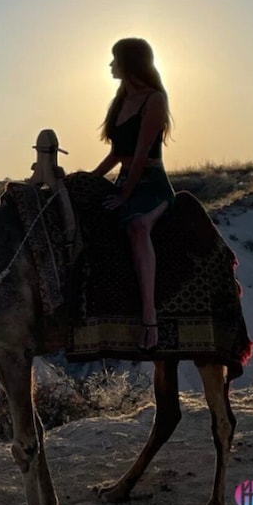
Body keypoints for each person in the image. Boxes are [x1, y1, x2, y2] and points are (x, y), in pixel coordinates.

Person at [91, 37, 176, 353]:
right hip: (125, 178)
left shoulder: (154, 99)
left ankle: (149, 316)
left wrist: (126, 195)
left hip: (152, 183)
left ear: (129, 62)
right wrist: (90, 178)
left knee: (137, 227)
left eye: (115, 59)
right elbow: (118, 153)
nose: (110, 65)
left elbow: (141, 153)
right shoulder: (120, 98)